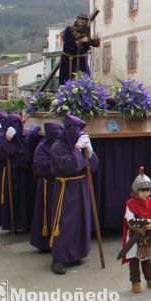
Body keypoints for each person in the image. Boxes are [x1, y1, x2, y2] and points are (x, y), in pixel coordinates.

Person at [48, 115, 99, 275]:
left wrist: (90, 153)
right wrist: (77, 148)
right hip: (66, 186)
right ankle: (59, 258)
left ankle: (76, 252)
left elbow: (92, 167)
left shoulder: (81, 144)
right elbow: (69, 166)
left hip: (80, 186)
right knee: (65, 221)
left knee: (80, 220)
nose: (75, 133)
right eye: (72, 130)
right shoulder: (58, 146)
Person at [0, 113, 37, 232]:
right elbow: (0, 153)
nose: (15, 126)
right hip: (10, 175)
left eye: (17, 124)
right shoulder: (2, 137)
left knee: (24, 200)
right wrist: (7, 140)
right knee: (11, 199)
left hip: (24, 175)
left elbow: (30, 151)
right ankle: (11, 223)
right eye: (12, 124)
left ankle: (24, 223)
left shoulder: (24, 138)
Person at [120, 168, 151, 293]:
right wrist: (143, 223)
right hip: (134, 236)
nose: (145, 192)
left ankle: (150, 279)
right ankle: (135, 281)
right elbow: (130, 221)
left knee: (147, 259)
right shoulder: (131, 203)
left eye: (147, 190)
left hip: (147, 236)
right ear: (136, 190)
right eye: (142, 190)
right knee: (134, 260)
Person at [29, 122, 61, 252]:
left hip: (60, 185)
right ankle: (44, 242)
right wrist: (59, 165)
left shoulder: (61, 145)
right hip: (47, 186)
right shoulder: (42, 147)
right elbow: (41, 165)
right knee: (46, 214)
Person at [58, 13, 100, 85]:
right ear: (77, 21)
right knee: (67, 81)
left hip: (81, 61)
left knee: (84, 82)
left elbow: (94, 44)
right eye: (79, 22)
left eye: (83, 23)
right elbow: (69, 45)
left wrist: (95, 39)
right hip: (68, 60)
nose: (81, 24)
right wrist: (82, 41)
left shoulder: (87, 31)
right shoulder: (68, 30)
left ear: (86, 23)